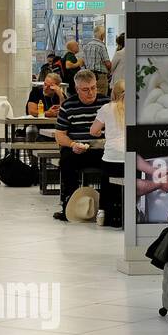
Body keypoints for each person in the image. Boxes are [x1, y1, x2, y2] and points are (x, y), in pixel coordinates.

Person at [52, 69, 107, 222]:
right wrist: (72, 144)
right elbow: (60, 135)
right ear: (77, 90)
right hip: (77, 149)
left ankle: (106, 206)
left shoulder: (106, 104)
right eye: (85, 89)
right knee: (67, 161)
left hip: (102, 149)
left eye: (94, 88)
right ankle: (69, 205)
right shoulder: (68, 106)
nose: (91, 92)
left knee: (112, 163)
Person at [90, 79, 127, 227]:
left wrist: (103, 132)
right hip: (129, 158)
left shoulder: (106, 108)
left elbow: (93, 131)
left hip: (111, 158)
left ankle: (103, 211)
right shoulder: (136, 107)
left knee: (106, 183)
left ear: (113, 92)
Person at [81, 26, 111, 97]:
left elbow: (83, 61)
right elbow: (108, 64)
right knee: (101, 97)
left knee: (91, 96)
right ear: (102, 35)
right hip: (100, 76)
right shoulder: (101, 46)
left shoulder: (87, 45)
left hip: (89, 75)